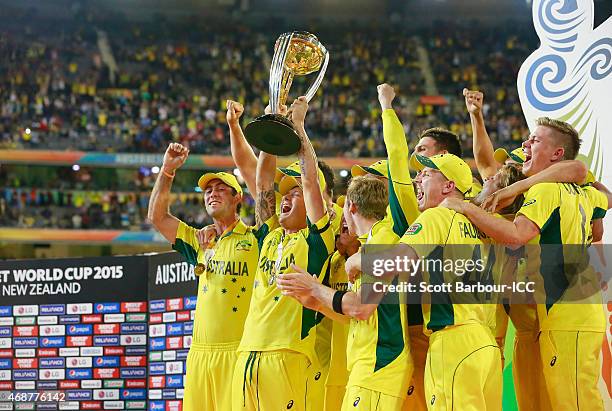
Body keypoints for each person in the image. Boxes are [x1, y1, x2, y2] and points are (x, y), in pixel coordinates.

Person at [441, 117, 611, 410]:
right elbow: (602, 207)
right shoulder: (582, 192)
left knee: (575, 403)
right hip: (577, 312)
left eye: (535, 140)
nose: (525, 144)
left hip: (565, 314)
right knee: (574, 398)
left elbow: (518, 236)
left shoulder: (544, 192)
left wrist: (466, 206)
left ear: (557, 155)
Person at [232, 97, 335, 411]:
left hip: (288, 355)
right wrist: (270, 131)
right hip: (247, 352)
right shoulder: (270, 235)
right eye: (285, 195)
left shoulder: (317, 239)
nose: (286, 199)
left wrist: (299, 128)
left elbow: (310, 180)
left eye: (295, 194)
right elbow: (263, 182)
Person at [277, 176, 414, 411]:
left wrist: (315, 288)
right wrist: (317, 303)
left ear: (351, 206)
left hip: (379, 365)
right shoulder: (370, 244)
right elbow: (357, 316)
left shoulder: (381, 240)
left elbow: (360, 307)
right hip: (369, 365)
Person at [148, 143, 263, 411]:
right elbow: (157, 217)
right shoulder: (199, 241)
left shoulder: (257, 238)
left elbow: (263, 190)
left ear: (238, 198)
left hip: (238, 352)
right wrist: (167, 171)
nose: (212, 194)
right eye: (208, 190)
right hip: (199, 354)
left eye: (221, 189)